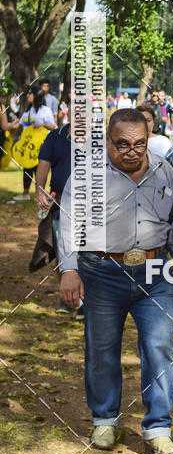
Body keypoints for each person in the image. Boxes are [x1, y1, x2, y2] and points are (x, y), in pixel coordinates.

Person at [58, 108, 173, 454]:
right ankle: (105, 420)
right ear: (108, 141)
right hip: (103, 272)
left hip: (156, 273)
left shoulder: (165, 171)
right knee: (102, 350)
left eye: (139, 144)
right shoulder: (87, 175)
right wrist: (69, 270)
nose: (132, 151)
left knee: (159, 347)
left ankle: (159, 427)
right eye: (123, 145)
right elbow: (69, 222)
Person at [35, 119, 80, 316]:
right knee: (63, 250)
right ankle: (66, 298)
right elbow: (43, 165)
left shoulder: (98, 138)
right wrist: (39, 192)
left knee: (89, 251)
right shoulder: (55, 136)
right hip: (60, 201)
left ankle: (85, 299)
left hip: (92, 203)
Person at [13, 86, 56, 201]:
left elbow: (53, 126)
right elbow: (20, 124)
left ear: (37, 95)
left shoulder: (45, 110)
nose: (28, 95)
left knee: (39, 169)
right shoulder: (27, 110)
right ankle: (25, 193)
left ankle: (40, 194)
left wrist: (42, 124)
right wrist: (9, 124)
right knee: (27, 167)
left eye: (30, 93)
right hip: (27, 145)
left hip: (40, 145)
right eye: (28, 93)